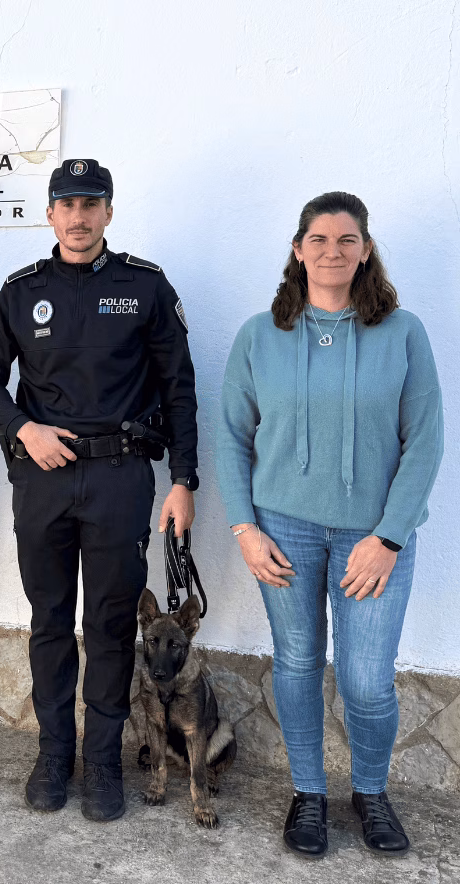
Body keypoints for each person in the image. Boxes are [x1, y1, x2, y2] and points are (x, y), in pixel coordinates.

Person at [0, 159, 199, 822]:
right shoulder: (22, 291)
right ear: (49, 214)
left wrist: (183, 481)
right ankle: (54, 754)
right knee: (49, 621)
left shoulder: (145, 286)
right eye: (66, 204)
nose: (78, 216)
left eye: (90, 203)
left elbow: (179, 388)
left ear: (108, 211)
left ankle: (101, 762)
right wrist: (22, 428)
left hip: (120, 480)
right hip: (42, 479)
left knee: (104, 625)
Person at [216, 192, 443, 858]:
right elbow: (231, 435)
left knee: (366, 680)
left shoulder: (403, 333)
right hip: (282, 529)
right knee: (296, 661)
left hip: (372, 537)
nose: (333, 251)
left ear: (366, 250)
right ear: (298, 249)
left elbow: (424, 440)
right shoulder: (261, 334)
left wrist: (390, 537)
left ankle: (370, 792)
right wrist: (244, 529)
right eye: (319, 239)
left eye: (347, 240)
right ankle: (308, 794)